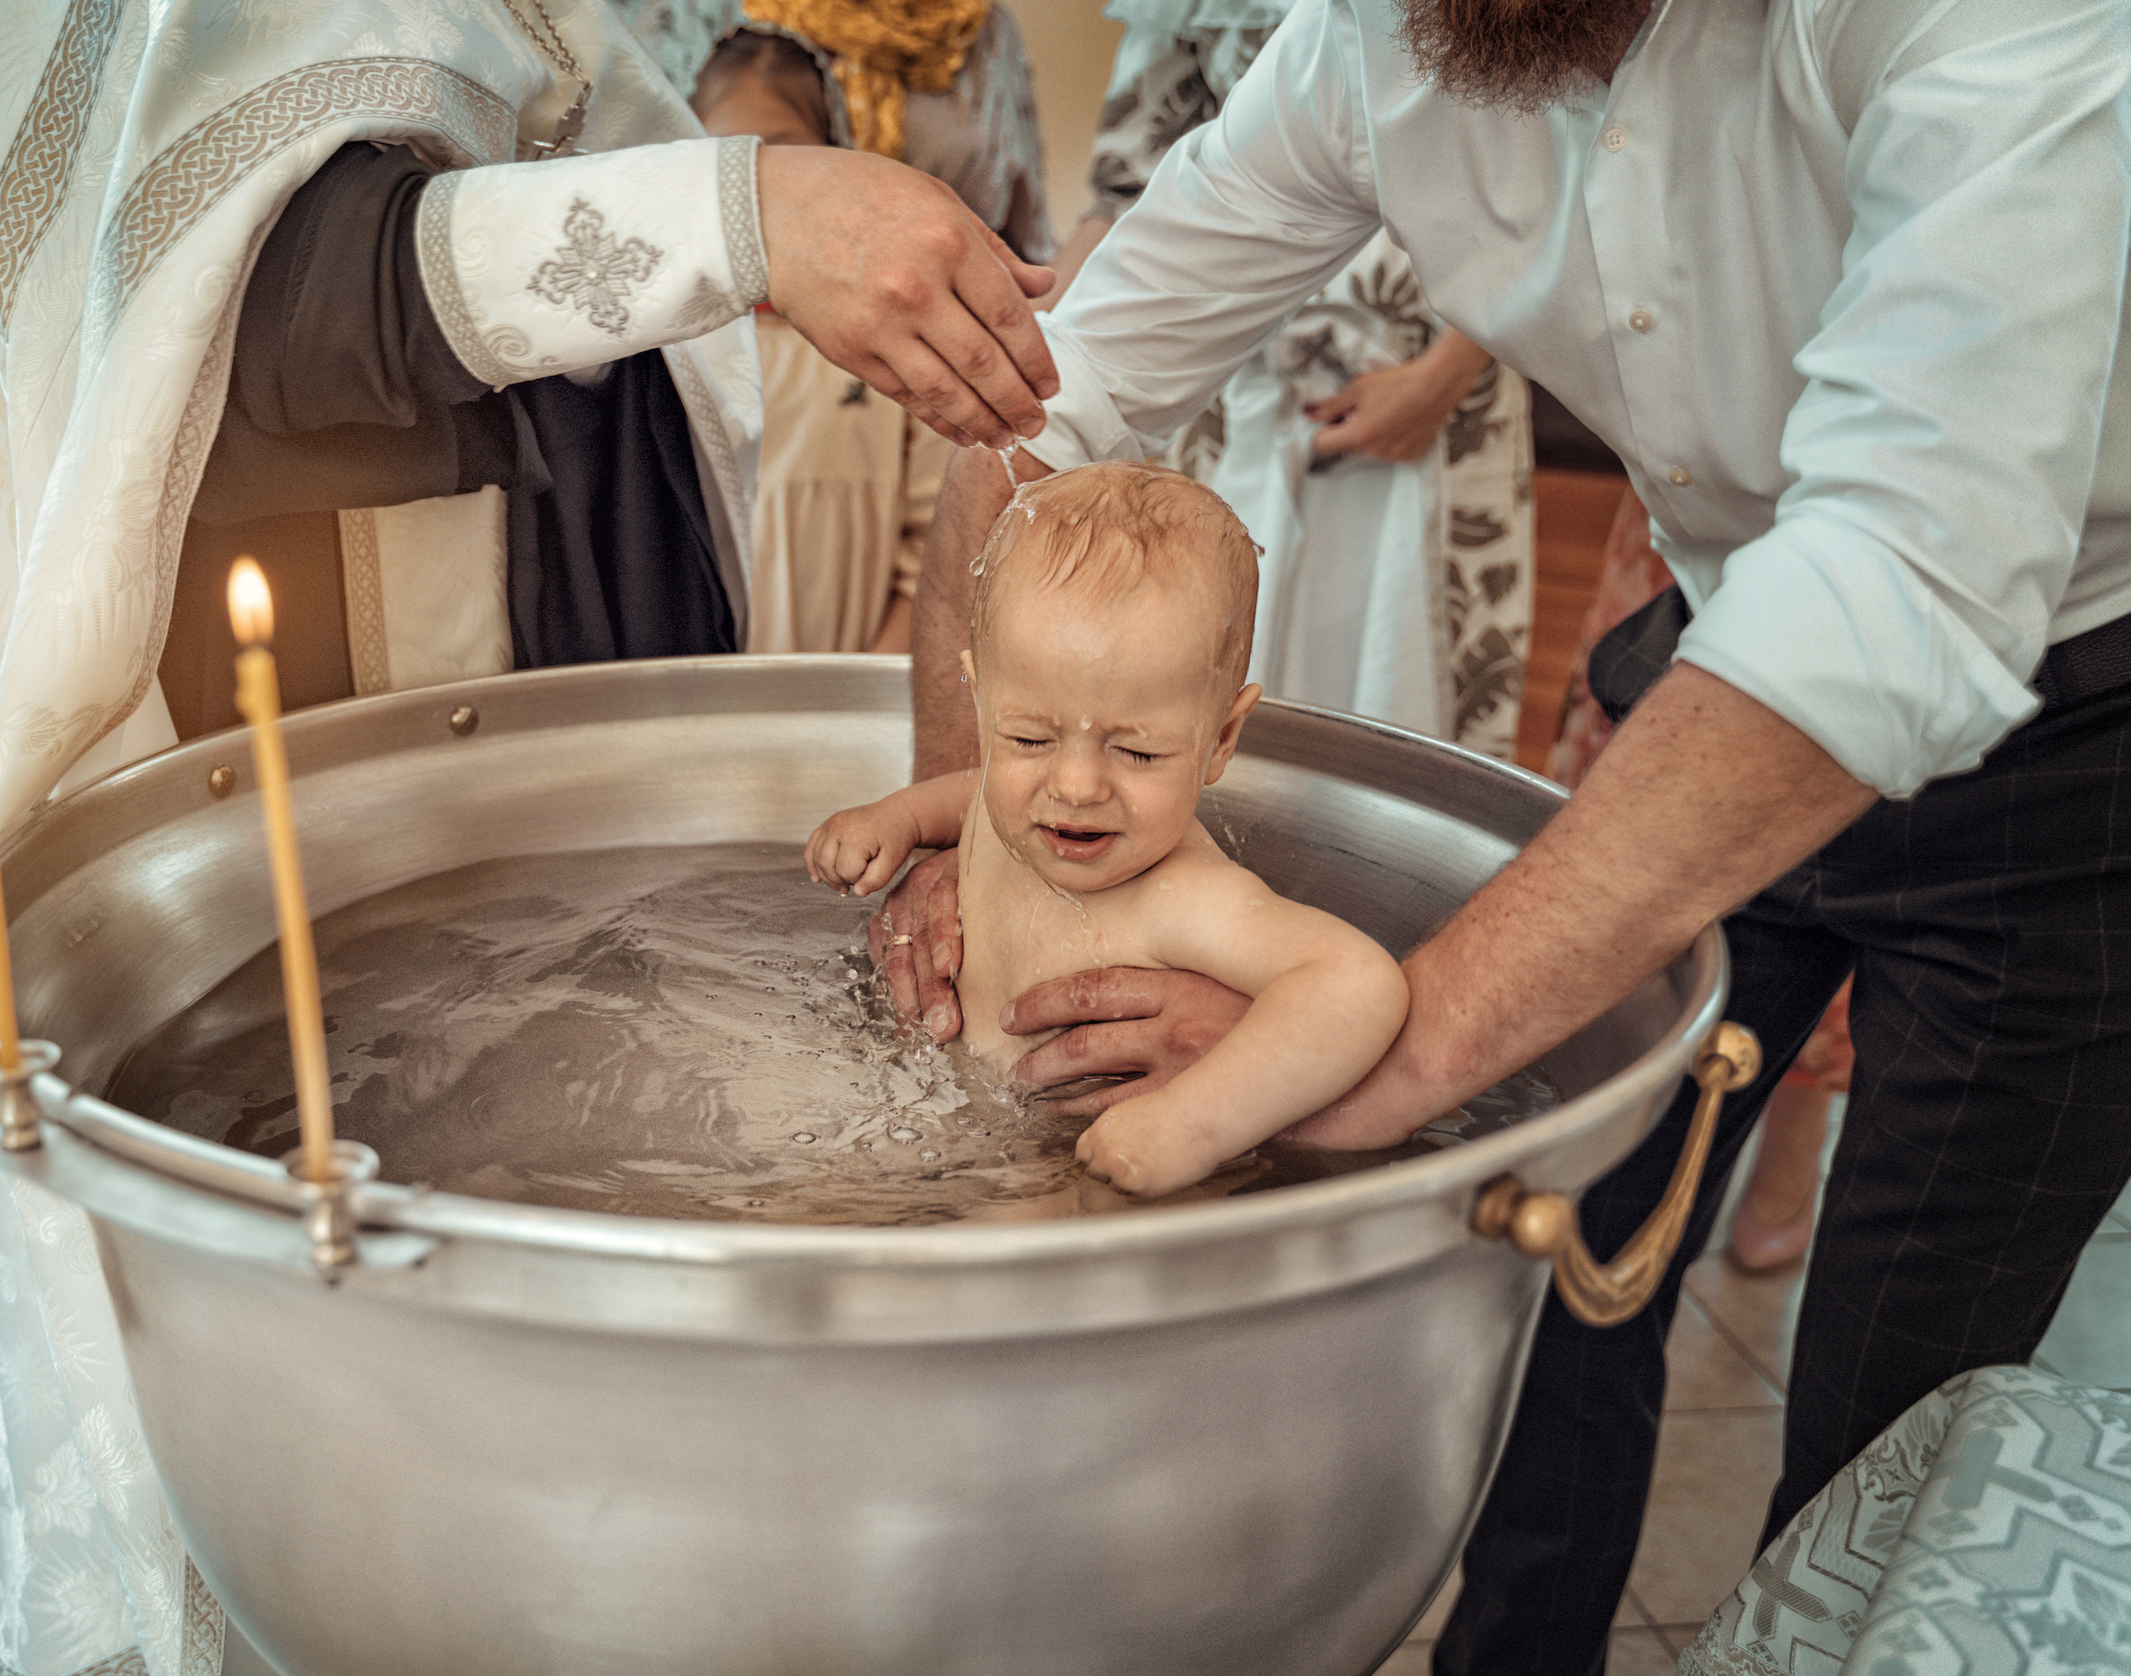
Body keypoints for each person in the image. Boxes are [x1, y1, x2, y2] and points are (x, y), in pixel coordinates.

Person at [862, 2, 2131, 1673]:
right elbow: (1048, 404)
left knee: (1900, 1398)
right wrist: (975, 838)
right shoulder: (1367, 45)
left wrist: (1381, 1059)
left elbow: (1906, 572)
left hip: (2076, 727)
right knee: (1551, 1282)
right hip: (1711, 667)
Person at [0, 0, 1062, 1664]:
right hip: (296, 681)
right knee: (357, 1428)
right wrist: (743, 215)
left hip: (547, 635)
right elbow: (236, 296)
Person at [805, 461, 1407, 1193]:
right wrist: (898, 818)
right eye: (1029, 739)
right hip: (934, 1115)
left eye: (1137, 752)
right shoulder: (1017, 807)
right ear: (980, 700)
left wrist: (1193, 1123)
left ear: (1221, 739)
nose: (1075, 788)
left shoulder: (1183, 897)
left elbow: (1354, 985)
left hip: (1069, 1169)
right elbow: (972, 796)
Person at [1052, 0, 1536, 757]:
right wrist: (1035, 351)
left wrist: (1442, 379)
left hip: (1438, 393)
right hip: (1226, 399)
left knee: (1406, 713)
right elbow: (1129, 191)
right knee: (1199, 683)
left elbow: (1537, 170)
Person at [646, 0, 1052, 653]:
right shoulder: (666, 349)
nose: (760, 192)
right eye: (730, 163)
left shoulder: (986, 32)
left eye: (784, 156)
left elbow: (932, 551)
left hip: (859, 659)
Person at [1547, 486, 1851, 1275]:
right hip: (1695, 505)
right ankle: (1626, 1112)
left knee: (1844, 816)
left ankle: (1799, 1114)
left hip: (1870, 525)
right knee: (1635, 850)